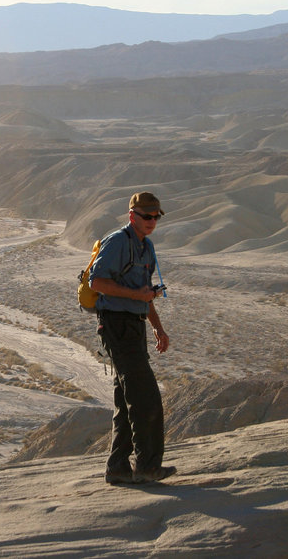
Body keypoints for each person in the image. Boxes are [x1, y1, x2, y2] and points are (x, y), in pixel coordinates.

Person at [89, 191, 175, 484]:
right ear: (132, 216)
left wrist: (158, 328)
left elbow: (145, 293)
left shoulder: (146, 247)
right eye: (146, 216)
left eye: (155, 216)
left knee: (126, 398)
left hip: (134, 326)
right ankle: (147, 466)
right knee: (146, 397)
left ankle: (118, 467)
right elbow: (97, 281)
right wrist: (135, 295)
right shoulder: (118, 242)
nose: (152, 221)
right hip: (116, 325)